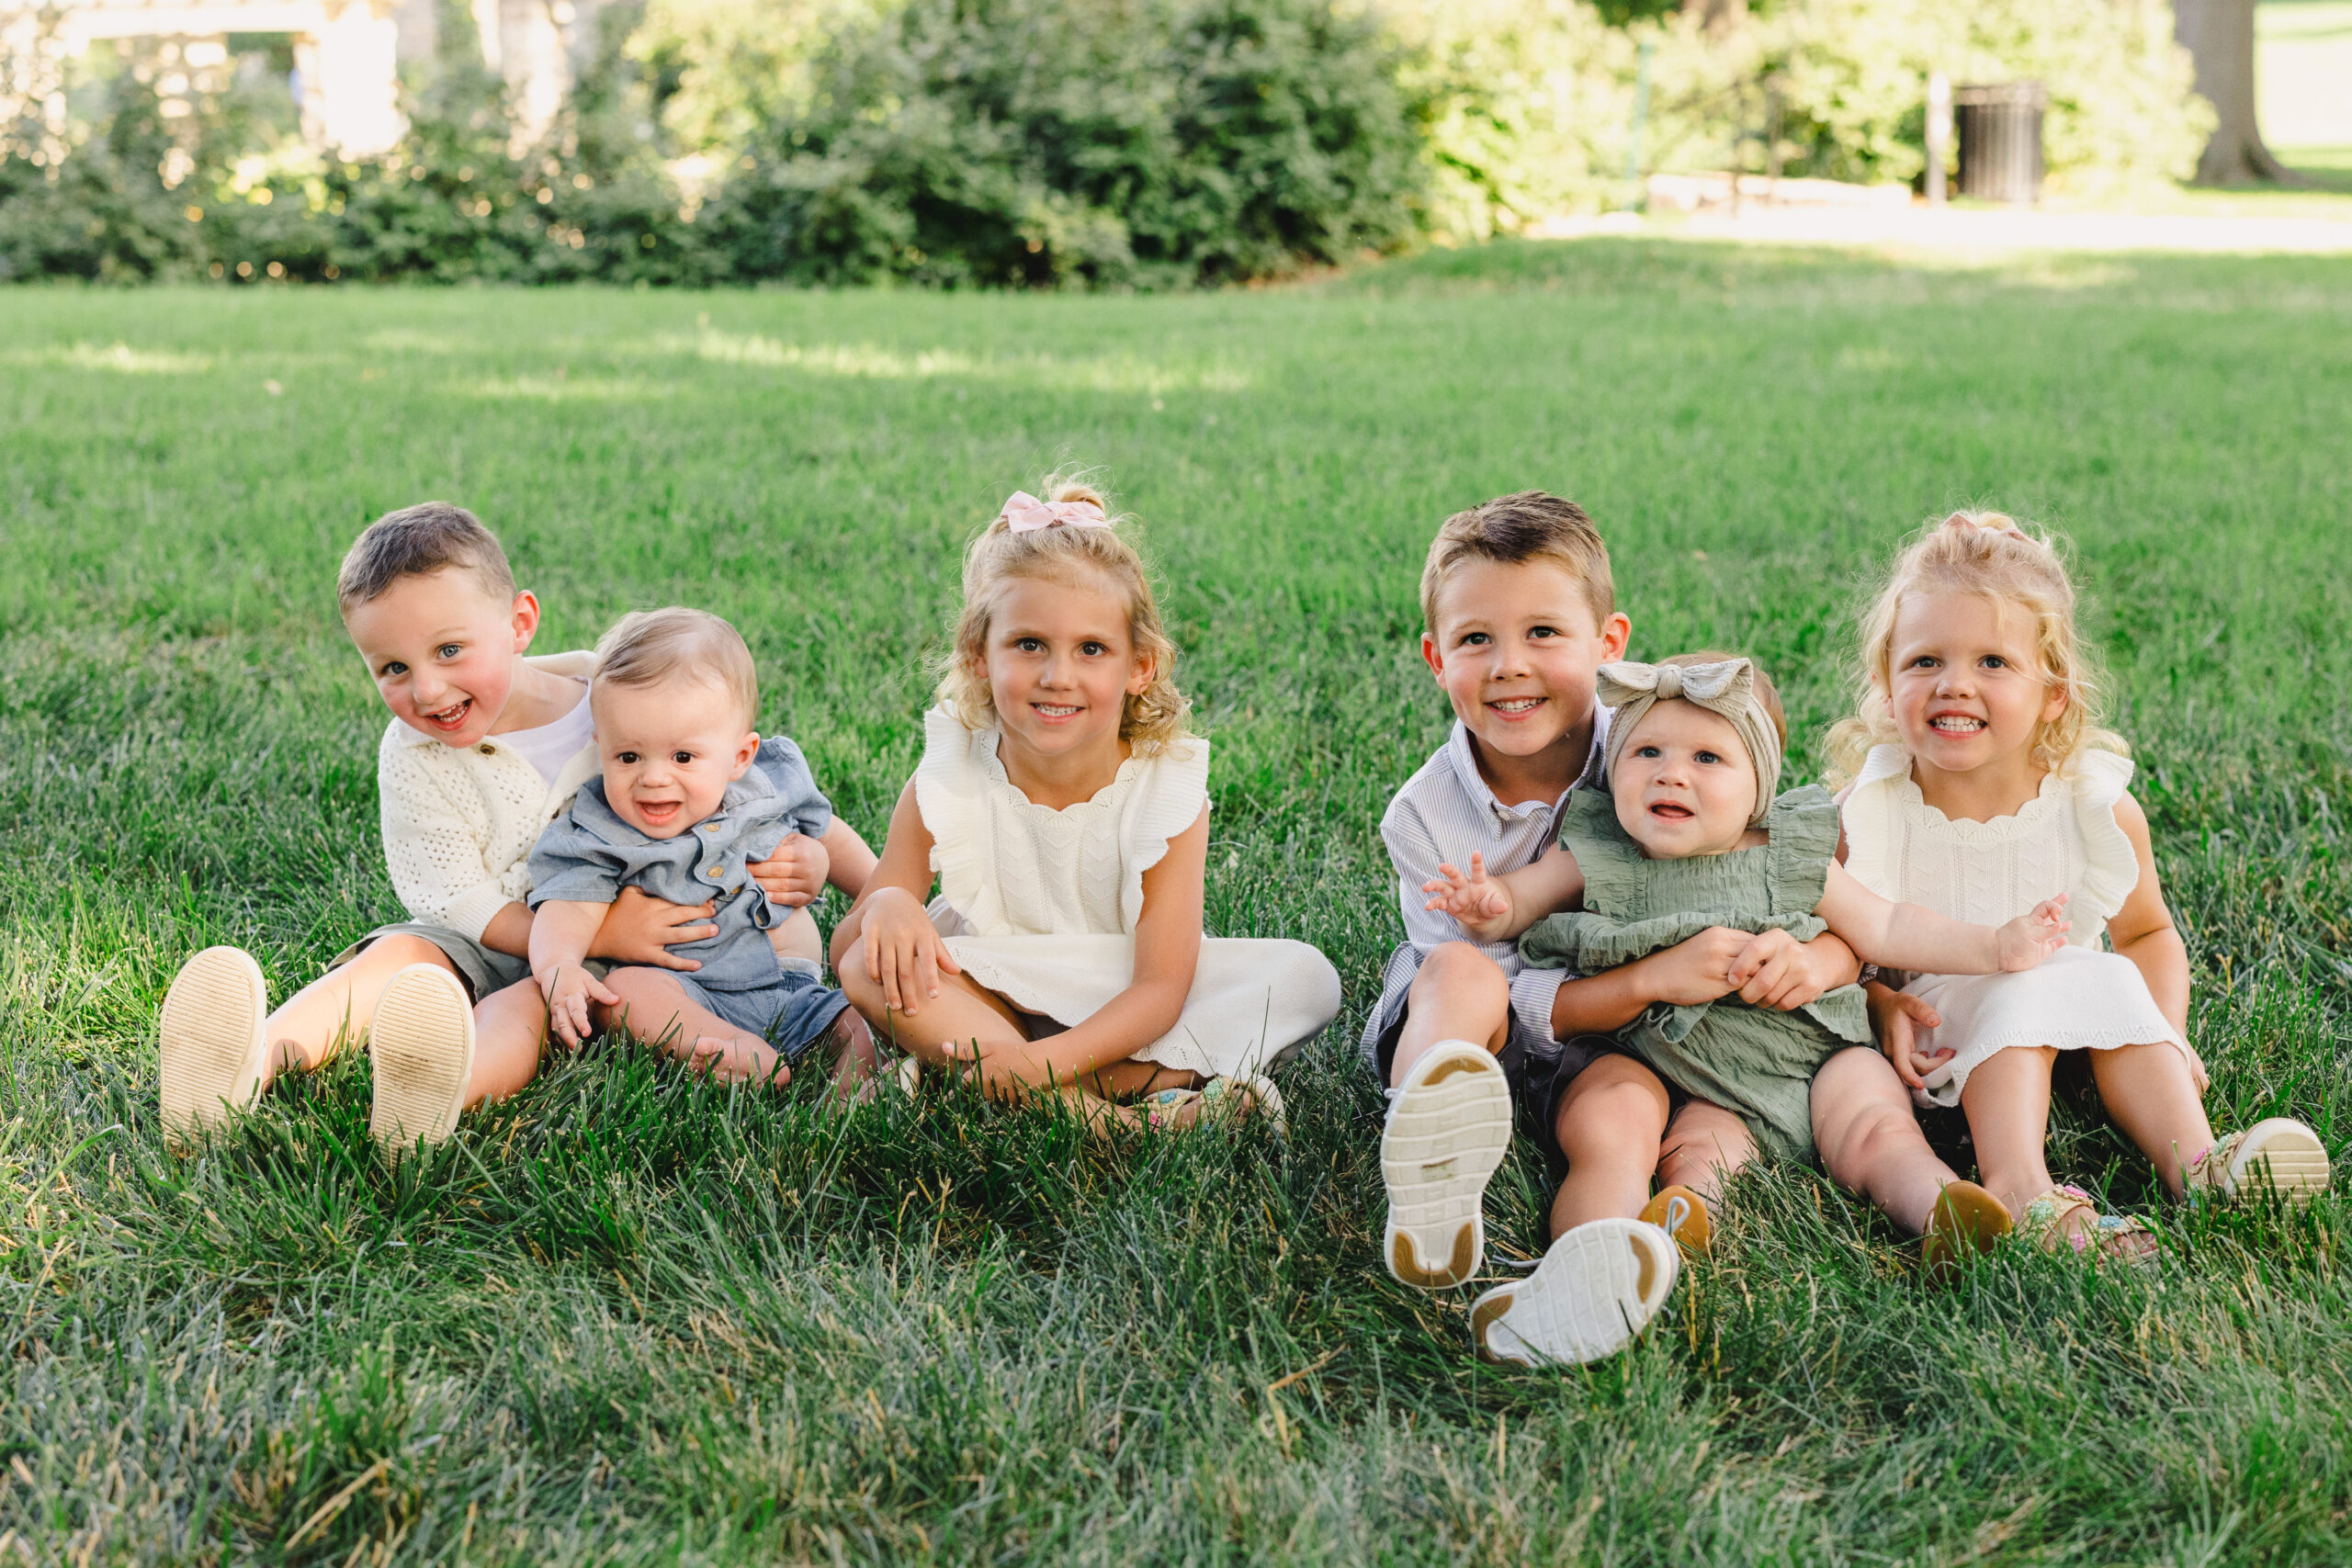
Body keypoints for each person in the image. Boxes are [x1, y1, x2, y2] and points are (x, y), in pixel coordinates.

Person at [154, 503, 859, 1152]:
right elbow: (457, 898)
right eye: (393, 668)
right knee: (397, 957)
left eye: (450, 651)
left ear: (520, 624)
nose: (426, 689)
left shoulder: (612, 697)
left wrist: (825, 867)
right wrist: (601, 931)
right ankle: (253, 1061)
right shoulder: (412, 756)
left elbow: (742, 781)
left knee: (522, 1010)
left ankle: (438, 1098)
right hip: (496, 934)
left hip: (630, 961)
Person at [1428, 651, 2068, 1356]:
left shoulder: (1788, 852)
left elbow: (1886, 927)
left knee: (1879, 1129)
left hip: (1821, 1054)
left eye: (1708, 757)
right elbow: (1523, 899)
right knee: (1697, 1152)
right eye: (1647, 751)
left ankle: (1940, 1206)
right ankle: (1645, 1244)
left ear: (1759, 784)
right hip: (1702, 1085)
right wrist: (1490, 905)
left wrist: (1996, 946)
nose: (1672, 772)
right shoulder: (1601, 849)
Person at [1364, 493, 1867, 1369]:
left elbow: (1783, 870)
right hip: (1487, 1032)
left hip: (1622, 1052)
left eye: (1543, 634)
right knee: (1460, 969)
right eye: (1476, 639)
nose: (1510, 666)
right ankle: (1429, 1149)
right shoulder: (1423, 817)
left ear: (1609, 644)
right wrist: (1650, 979)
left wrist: (1821, 955)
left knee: (1626, 1112)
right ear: (1434, 656)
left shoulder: (1654, 749)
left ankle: (1582, 1272)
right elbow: (1510, 992)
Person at [1828, 512, 2330, 1252]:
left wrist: (2170, 1028)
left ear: (2053, 692)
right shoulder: (1870, 812)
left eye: (1993, 663)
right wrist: (1878, 1000)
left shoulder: (2091, 806)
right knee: (2022, 982)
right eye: (1925, 661)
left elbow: (2148, 933)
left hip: (2083, 1021)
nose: (1954, 685)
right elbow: (1834, 946)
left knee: (2107, 978)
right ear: (1885, 679)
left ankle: (2201, 1164)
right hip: (1950, 1023)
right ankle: (2020, 1186)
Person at [828, 477, 1340, 1133]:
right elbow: (844, 950)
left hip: (1123, 998)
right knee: (865, 968)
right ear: (978, 655)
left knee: (1305, 980)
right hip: (993, 988)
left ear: (1140, 667)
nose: (1057, 675)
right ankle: (1121, 1121)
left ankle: (973, 1076)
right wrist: (890, 903)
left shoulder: (1166, 791)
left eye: (1091, 649)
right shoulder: (951, 773)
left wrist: (1037, 1065)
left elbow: (1161, 987)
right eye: (1028, 644)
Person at [528, 608, 876, 1094]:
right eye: (628, 756)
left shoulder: (768, 788)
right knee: (624, 992)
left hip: (788, 980)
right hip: (683, 991)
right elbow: (568, 907)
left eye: (683, 757)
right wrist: (558, 964)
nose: (653, 777)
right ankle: (719, 1047)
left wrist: (883, 892)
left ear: (740, 757)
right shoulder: (596, 828)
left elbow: (831, 837)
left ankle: (857, 1087)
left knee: (863, 1015)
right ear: (600, 745)